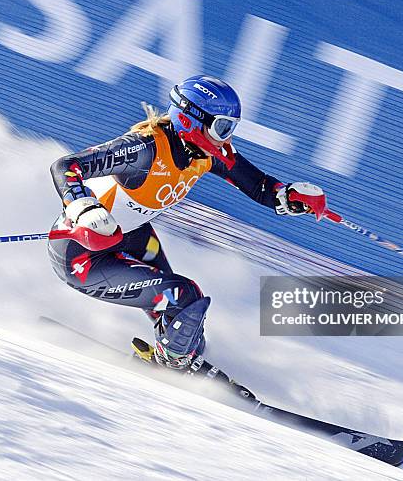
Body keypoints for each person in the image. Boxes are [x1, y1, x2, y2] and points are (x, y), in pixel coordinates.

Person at [48, 75, 330, 371]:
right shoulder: (145, 149)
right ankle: (173, 363)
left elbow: (259, 187)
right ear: (191, 121)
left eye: (230, 128)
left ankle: (177, 356)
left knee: (187, 324)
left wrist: (289, 196)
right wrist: (83, 207)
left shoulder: (210, 154)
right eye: (222, 128)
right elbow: (66, 166)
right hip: (82, 254)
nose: (226, 139)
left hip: (130, 237)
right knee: (185, 297)